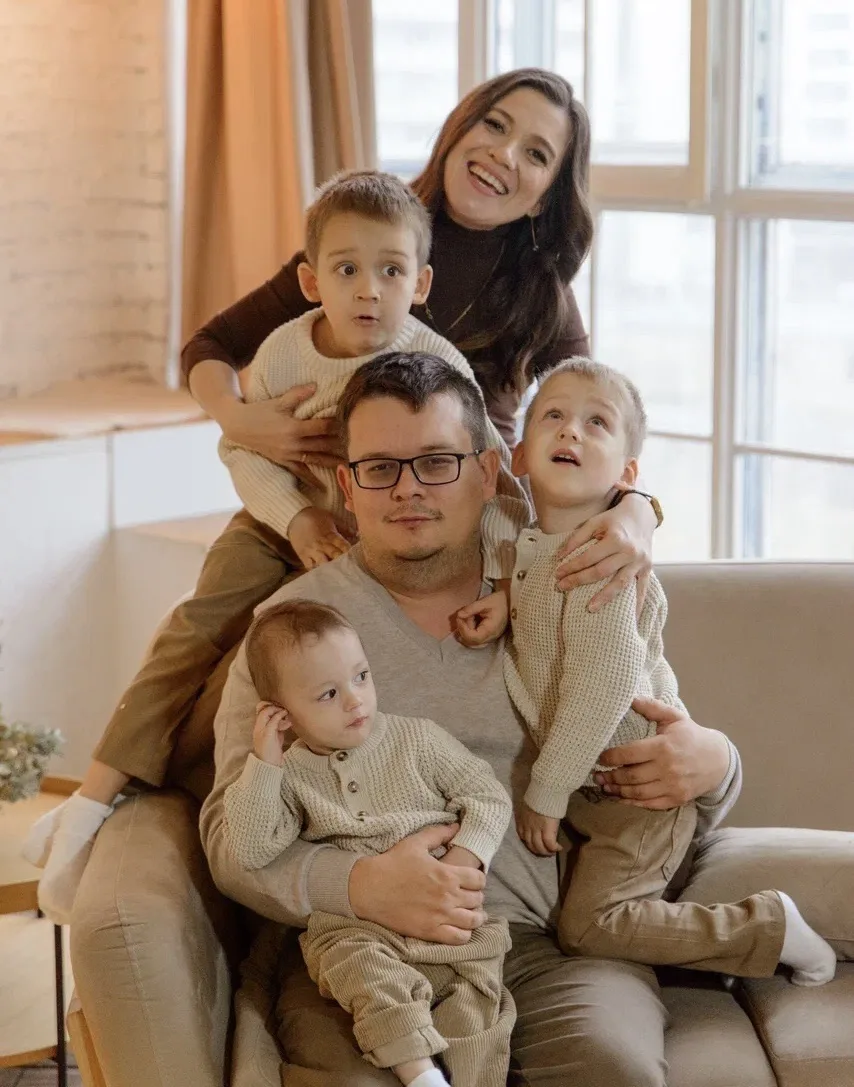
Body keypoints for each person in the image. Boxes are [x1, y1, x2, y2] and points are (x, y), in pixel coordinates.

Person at [25, 70, 661, 919]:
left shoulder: (539, 292)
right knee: (214, 641)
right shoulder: (372, 222)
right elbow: (212, 346)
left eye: (536, 153)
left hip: (448, 516)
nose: (504, 155)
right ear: (458, 126)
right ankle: (105, 805)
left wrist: (638, 509)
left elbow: (593, 416)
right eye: (494, 125)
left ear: (549, 191)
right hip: (305, 495)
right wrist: (247, 425)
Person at [200, 352, 742, 1086]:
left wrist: (719, 763)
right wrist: (359, 885)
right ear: (347, 486)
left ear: (490, 473)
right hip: (369, 949)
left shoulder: (569, 572)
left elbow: (654, 738)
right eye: (380, 468)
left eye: (437, 462)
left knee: (614, 1071)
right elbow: (229, 840)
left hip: (553, 946)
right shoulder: (291, 631)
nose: (409, 489)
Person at [23, 170, 529, 923]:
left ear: (420, 284)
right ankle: (94, 801)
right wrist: (295, 519)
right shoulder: (288, 353)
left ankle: (204, 800)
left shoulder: (439, 366)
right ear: (310, 281)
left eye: (391, 271)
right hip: (277, 519)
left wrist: (510, 577)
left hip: (362, 535)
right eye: (347, 270)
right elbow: (242, 451)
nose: (369, 291)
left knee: (280, 666)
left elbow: (489, 477)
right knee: (194, 630)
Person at [457, 358, 837, 988]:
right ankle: (697, 950)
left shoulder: (600, 563)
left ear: (628, 475)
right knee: (601, 914)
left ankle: (770, 929)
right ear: (519, 455)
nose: (571, 430)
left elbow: (602, 683)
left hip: (638, 789)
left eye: (596, 423)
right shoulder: (529, 539)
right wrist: (505, 600)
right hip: (598, 786)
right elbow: (508, 531)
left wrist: (546, 790)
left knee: (589, 927)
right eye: (553, 416)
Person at [226, 599, 514, 1087]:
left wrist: (462, 861)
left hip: (450, 921)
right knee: (362, 974)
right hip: (358, 931)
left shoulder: (418, 740)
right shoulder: (290, 775)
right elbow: (252, 848)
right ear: (283, 715)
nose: (355, 700)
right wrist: (265, 763)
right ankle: (420, 1074)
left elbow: (487, 794)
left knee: (476, 1013)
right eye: (328, 693)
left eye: (361, 677)